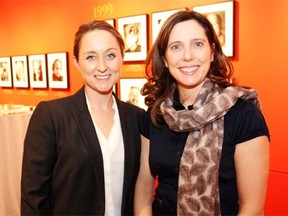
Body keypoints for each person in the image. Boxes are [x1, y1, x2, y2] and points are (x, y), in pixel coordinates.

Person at [135, 11, 270, 216]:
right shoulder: (156, 114)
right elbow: (144, 186)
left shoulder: (243, 115)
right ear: (164, 58)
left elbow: (252, 207)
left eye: (197, 44)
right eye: (176, 47)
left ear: (212, 51)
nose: (188, 56)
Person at [21, 20, 145, 215]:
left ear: (122, 58)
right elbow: (33, 197)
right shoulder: (52, 116)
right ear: (77, 62)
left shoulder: (136, 118)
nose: (102, 66)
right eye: (91, 57)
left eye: (110, 55)